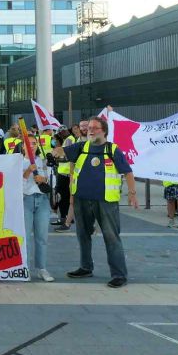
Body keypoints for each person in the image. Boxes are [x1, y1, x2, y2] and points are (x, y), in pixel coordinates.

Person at [52, 116, 136, 288]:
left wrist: (132, 192)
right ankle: (85, 267)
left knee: (111, 237)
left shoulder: (112, 150)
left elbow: (127, 172)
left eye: (95, 128)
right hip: (82, 199)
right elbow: (62, 151)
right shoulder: (82, 147)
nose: (90, 130)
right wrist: (55, 151)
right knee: (82, 235)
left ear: (103, 130)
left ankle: (119, 274)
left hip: (105, 201)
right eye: (89, 127)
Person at [21, 137, 54, 282]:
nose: (31, 146)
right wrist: (28, 171)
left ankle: (41, 268)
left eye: (34, 143)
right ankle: (25, 268)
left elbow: (53, 181)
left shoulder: (43, 162)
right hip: (25, 200)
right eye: (28, 143)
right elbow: (16, 184)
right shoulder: (18, 162)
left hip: (42, 200)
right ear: (23, 146)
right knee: (26, 236)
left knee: (42, 237)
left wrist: (44, 180)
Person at [53, 126, 76, 231]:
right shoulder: (68, 139)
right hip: (65, 172)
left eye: (62, 132)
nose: (62, 133)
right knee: (66, 197)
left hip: (65, 173)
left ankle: (64, 218)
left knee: (62, 197)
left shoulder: (69, 140)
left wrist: (57, 160)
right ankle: (67, 217)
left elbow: (68, 157)